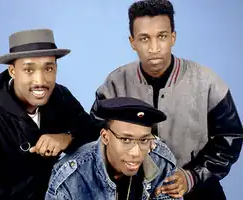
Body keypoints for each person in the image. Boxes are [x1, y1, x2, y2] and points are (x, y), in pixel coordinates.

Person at [90, 1, 243, 199]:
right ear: (132, 41)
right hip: (134, 191)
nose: (154, 48)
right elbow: (94, 133)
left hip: (198, 190)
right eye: (144, 38)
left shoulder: (207, 82)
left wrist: (192, 176)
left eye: (161, 37)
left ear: (173, 37)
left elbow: (230, 137)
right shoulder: (115, 83)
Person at [0, 28, 100, 199]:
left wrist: (67, 137)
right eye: (29, 70)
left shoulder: (60, 97)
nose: (40, 81)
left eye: (48, 69)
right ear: (12, 71)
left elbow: (94, 135)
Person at [45, 97, 182, 200]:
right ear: (105, 137)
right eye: (126, 139)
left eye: (144, 140)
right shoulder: (71, 174)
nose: (136, 152)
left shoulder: (161, 161)